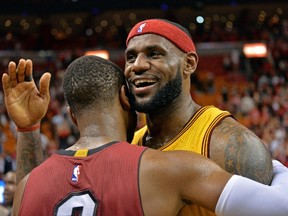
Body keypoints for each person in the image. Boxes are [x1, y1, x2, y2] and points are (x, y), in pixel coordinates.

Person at [2, 56, 288, 216]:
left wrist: (28, 130)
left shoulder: (30, 185)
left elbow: (25, 202)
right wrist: (276, 166)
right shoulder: (166, 168)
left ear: (72, 115)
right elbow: (279, 207)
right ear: (126, 97)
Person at [124, 19, 274, 215]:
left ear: (189, 63)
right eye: (131, 57)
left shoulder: (232, 144)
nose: (137, 65)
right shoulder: (128, 146)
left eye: (154, 54)